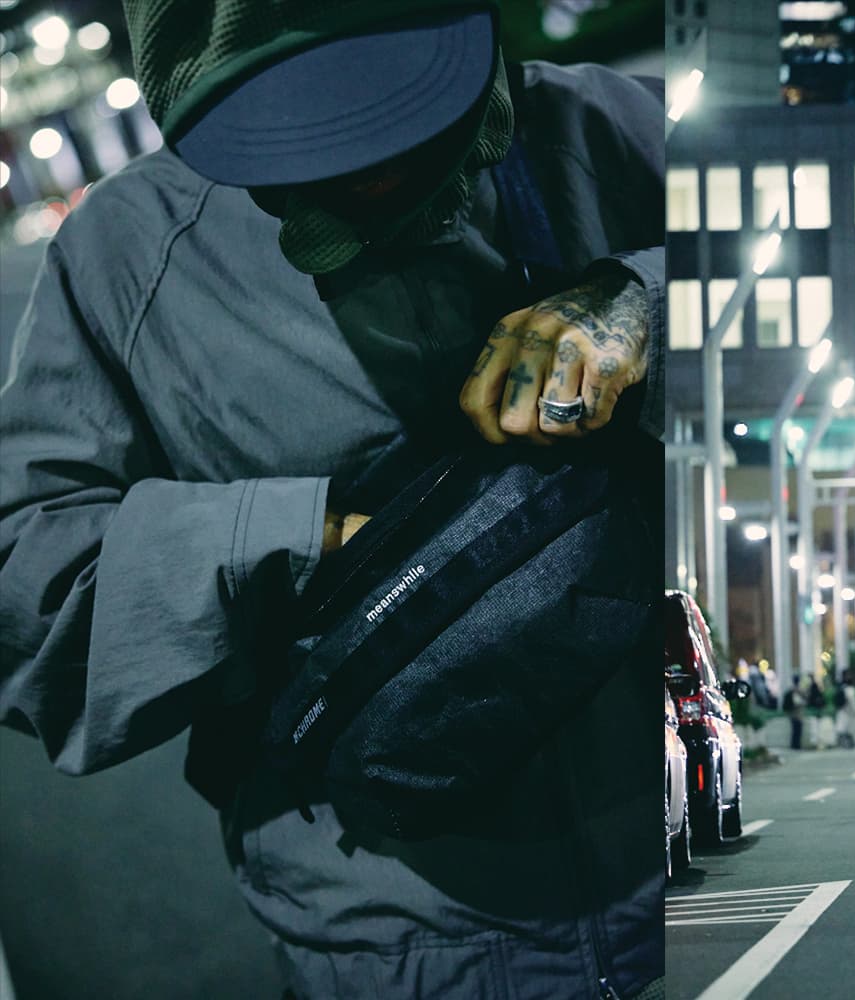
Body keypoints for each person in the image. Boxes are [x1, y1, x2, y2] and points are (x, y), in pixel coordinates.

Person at [0, 3, 664, 996]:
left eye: (396, 94)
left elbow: (854, 288)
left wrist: (647, 301)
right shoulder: (128, 253)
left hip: (689, 872)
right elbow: (26, 580)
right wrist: (302, 541)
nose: (365, 166)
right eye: (293, 124)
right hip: (396, 937)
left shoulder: (602, 128)